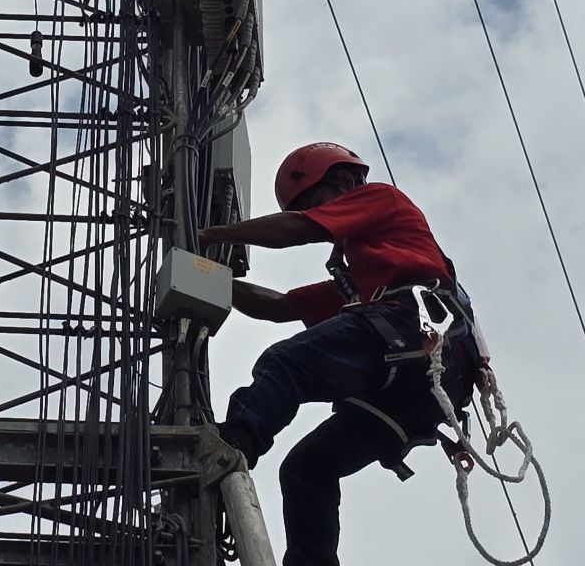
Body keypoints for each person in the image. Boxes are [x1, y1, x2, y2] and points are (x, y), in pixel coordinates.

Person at [197, 142, 479, 566]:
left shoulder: (381, 200)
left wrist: (212, 234)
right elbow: (279, 306)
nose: (323, 217)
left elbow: (299, 228)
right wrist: (209, 276)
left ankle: (235, 442)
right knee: (306, 469)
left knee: (286, 362)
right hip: (419, 387)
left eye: (318, 204)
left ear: (344, 182)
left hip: (412, 335)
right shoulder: (369, 277)